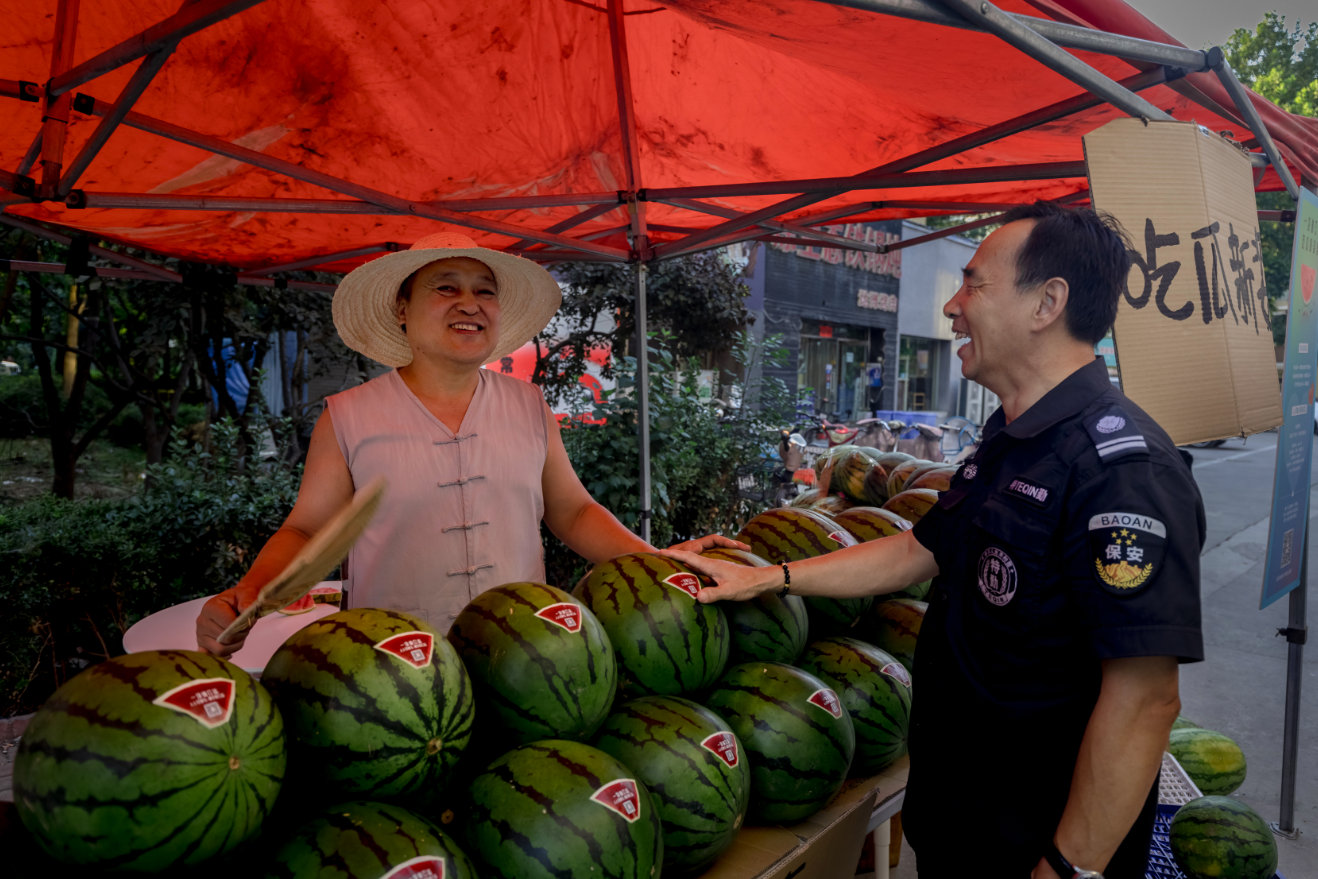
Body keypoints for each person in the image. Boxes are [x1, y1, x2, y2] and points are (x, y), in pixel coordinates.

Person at [669, 203, 1204, 879]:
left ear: (1048, 302)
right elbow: (919, 547)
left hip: (1033, 849)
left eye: (974, 284)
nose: (953, 306)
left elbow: (1145, 698)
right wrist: (771, 576)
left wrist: (1069, 868)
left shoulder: (1125, 471)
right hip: (961, 825)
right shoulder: (1008, 441)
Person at [197, 231, 737, 656]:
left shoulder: (529, 406)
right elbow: (307, 529)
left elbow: (572, 512)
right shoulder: (348, 416)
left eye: (484, 291)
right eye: (446, 287)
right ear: (402, 310)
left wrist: (655, 561)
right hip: (391, 658)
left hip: (525, 652)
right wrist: (250, 594)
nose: (470, 303)